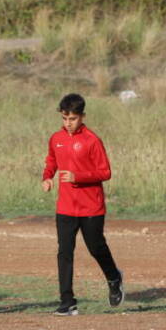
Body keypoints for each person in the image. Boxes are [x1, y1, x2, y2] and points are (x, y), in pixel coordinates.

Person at [42, 93, 123, 316]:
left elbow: (105, 172)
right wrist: (47, 176)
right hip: (65, 207)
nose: (68, 123)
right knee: (64, 252)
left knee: (96, 247)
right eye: (65, 119)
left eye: (73, 119)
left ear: (82, 117)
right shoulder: (56, 138)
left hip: (91, 207)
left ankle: (114, 277)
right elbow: (51, 160)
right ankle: (67, 302)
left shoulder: (92, 140)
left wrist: (78, 177)